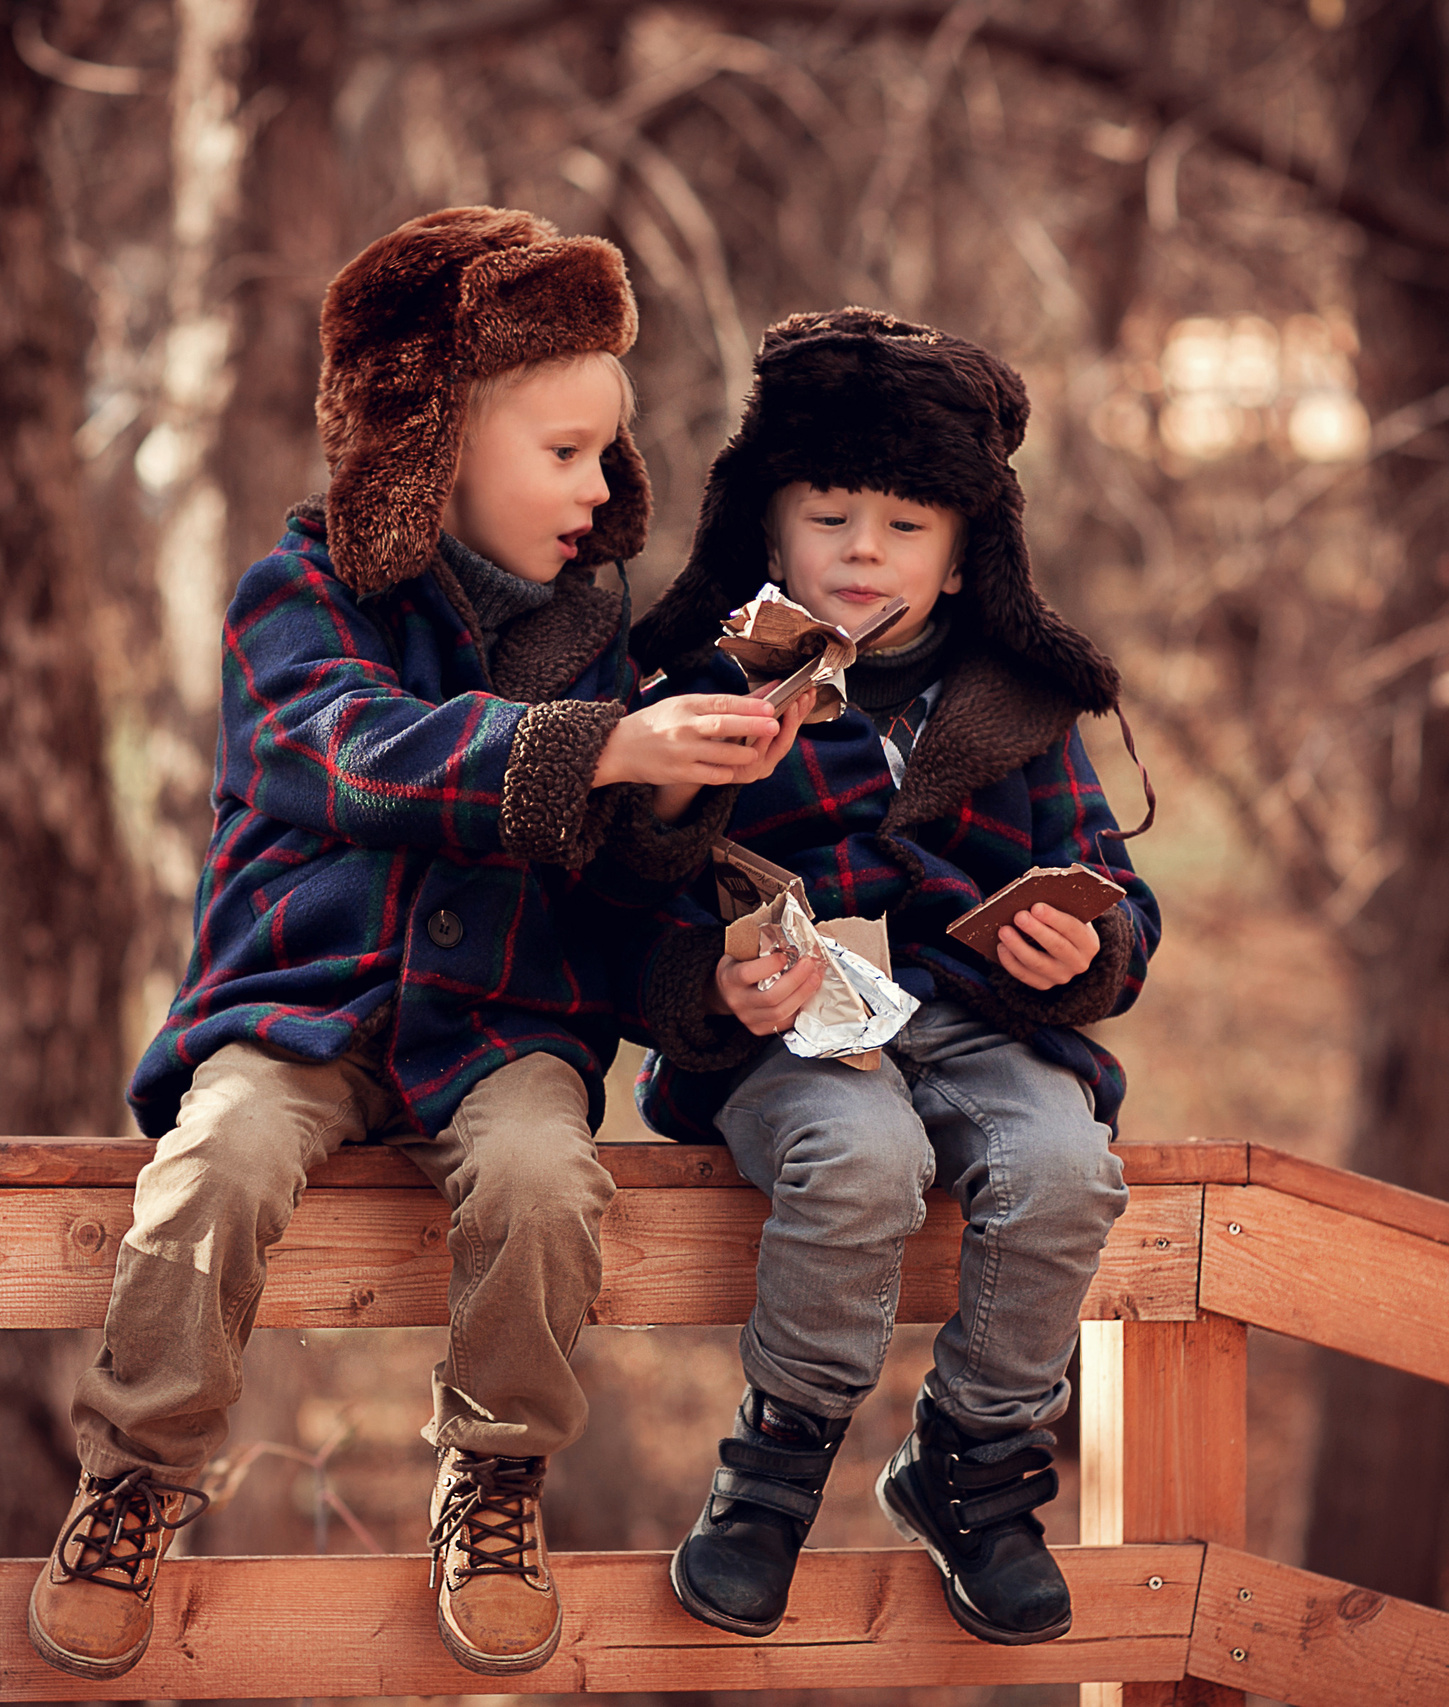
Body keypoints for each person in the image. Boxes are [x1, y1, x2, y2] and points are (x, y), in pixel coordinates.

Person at [25, 207, 801, 1684]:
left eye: (604, 451)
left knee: (541, 1176)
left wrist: (702, 929)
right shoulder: (300, 597)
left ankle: (496, 1477)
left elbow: (621, 915)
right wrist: (602, 748)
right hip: (297, 1013)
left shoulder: (598, 649)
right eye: (560, 451)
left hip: (504, 1033)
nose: (598, 486)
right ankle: (135, 1473)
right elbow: (361, 754)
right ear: (434, 442)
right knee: (221, 1159)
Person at [616, 308, 1160, 1647]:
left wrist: (1086, 953)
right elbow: (622, 900)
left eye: (909, 525)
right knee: (862, 1162)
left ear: (972, 554)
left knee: (1065, 1168)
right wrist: (708, 989)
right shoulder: (700, 689)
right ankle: (772, 1473)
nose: (866, 551)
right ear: (770, 523)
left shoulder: (1019, 706)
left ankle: (972, 1466)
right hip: (790, 1038)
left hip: (981, 1030)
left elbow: (1115, 895)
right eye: (833, 515)